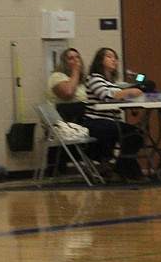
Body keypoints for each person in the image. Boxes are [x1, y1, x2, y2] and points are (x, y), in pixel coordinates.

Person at [83, 47, 146, 181]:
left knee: (136, 134)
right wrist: (130, 92)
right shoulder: (94, 78)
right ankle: (126, 169)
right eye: (109, 57)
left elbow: (118, 98)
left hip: (110, 121)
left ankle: (121, 167)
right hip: (96, 121)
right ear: (100, 61)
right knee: (134, 135)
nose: (114, 60)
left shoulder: (111, 83)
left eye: (115, 57)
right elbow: (106, 96)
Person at [46, 47, 87, 123]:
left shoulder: (81, 81)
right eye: (71, 58)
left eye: (78, 57)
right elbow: (68, 93)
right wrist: (75, 71)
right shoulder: (57, 76)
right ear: (64, 63)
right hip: (65, 120)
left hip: (82, 117)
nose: (76, 60)